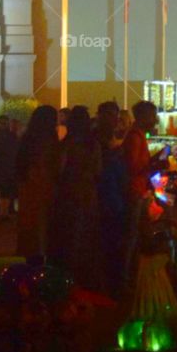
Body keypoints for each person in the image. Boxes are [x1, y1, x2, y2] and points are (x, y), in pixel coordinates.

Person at [50, 105, 102, 288]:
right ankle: (83, 280)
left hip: (68, 195)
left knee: (69, 237)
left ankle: (67, 280)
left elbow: (59, 169)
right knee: (86, 238)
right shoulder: (92, 145)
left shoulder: (67, 144)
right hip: (87, 194)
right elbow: (97, 170)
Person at [121, 99, 163, 289]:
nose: (155, 120)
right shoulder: (135, 137)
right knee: (131, 235)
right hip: (134, 190)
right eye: (153, 116)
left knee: (136, 234)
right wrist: (154, 164)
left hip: (138, 189)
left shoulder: (138, 135)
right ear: (144, 116)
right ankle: (125, 277)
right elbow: (133, 166)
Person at [15, 105, 60, 262]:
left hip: (29, 192)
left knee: (32, 235)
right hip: (41, 191)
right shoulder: (47, 141)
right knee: (41, 233)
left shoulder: (28, 139)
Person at [94, 101, 128, 295]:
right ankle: (109, 286)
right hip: (105, 196)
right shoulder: (98, 139)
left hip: (114, 195)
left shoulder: (111, 139)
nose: (115, 120)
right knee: (109, 243)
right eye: (111, 115)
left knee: (114, 242)